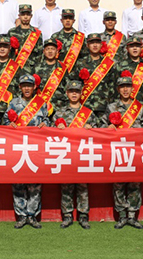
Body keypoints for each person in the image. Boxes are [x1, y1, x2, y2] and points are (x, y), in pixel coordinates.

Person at [53, 80, 98, 229]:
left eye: (77, 91)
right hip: (65, 154)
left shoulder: (88, 114)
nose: (74, 94)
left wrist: (91, 128)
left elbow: (100, 133)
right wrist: (57, 128)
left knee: (82, 187)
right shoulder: (59, 113)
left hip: (83, 154)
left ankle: (83, 216)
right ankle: (67, 216)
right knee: (66, 186)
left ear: (81, 94)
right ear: (67, 93)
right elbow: (50, 134)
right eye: (71, 91)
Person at [5, 74, 48, 229]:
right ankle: (21, 216)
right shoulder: (13, 103)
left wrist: (45, 125)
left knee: (35, 183)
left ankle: (32, 215)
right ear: (20, 87)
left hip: (36, 148)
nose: (27, 88)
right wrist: (9, 125)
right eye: (24, 86)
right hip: (18, 148)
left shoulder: (41, 103)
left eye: (29, 85)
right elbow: (5, 121)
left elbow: (47, 120)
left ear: (34, 87)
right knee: (18, 182)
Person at [106, 76, 143, 229]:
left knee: (135, 184)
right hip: (118, 151)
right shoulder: (111, 107)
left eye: (128, 86)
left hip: (135, 151)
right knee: (118, 184)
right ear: (118, 89)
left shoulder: (139, 107)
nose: (125, 89)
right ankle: (122, 216)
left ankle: (132, 216)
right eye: (122, 86)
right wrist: (108, 128)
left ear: (132, 89)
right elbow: (101, 127)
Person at [70, 33, 118, 119]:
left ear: (101, 45)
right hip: (85, 106)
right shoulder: (80, 63)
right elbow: (74, 84)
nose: (95, 45)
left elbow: (113, 87)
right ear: (88, 45)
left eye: (97, 42)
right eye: (92, 43)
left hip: (103, 106)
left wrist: (111, 106)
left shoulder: (109, 64)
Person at [115, 36, 143, 110]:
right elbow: (115, 88)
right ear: (127, 48)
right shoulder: (120, 66)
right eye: (131, 46)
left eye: (137, 46)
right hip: (125, 109)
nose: (135, 48)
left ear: (141, 48)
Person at [33, 38, 69, 109]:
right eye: (47, 49)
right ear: (44, 51)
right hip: (41, 106)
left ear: (57, 51)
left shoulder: (63, 68)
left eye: (52, 49)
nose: (50, 51)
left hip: (59, 106)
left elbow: (66, 87)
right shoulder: (36, 68)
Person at [8, 4, 43, 71]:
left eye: (28, 14)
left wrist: (38, 70)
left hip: (32, 68)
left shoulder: (37, 33)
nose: (25, 17)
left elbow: (40, 54)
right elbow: (8, 52)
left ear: (31, 16)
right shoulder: (12, 32)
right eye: (23, 14)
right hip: (15, 68)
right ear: (19, 16)